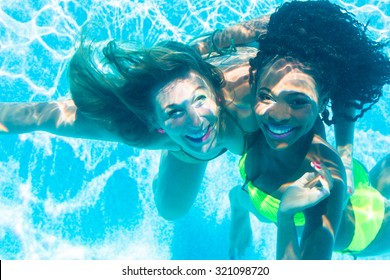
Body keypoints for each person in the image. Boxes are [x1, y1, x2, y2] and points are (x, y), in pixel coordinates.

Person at [228, 0, 390, 260]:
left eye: (297, 101)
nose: (277, 115)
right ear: (255, 81)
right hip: (346, 182)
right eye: (266, 96)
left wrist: (285, 218)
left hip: (369, 224)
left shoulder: (321, 181)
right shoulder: (260, 112)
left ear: (323, 101)